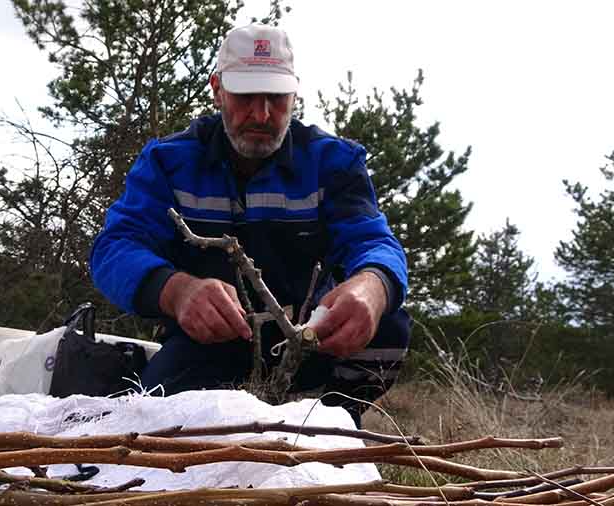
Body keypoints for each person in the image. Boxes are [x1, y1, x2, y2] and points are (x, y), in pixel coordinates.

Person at [90, 24, 411, 426]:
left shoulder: (334, 163)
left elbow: (374, 242)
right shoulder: (168, 163)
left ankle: (333, 419)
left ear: (294, 95)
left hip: (313, 343)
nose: (261, 114)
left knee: (388, 322)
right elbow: (114, 248)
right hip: (208, 344)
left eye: (276, 98)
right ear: (217, 89)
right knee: (159, 418)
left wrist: (373, 286)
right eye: (245, 96)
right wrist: (176, 291)